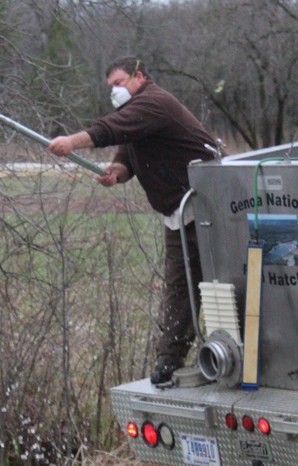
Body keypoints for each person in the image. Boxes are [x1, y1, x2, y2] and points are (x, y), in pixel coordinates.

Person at [48, 56, 220, 385]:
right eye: (110, 87)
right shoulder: (138, 111)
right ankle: (169, 361)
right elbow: (128, 150)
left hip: (208, 208)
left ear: (138, 77)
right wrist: (118, 171)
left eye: (118, 83)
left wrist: (72, 141)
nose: (114, 92)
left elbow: (112, 129)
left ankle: (236, 353)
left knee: (222, 286)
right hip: (178, 213)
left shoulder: (155, 101)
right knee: (179, 291)